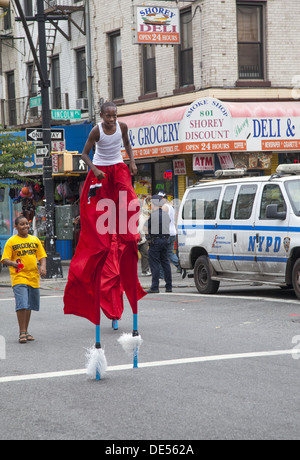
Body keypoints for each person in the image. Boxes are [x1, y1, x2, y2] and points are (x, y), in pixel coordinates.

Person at [64, 101, 146, 326]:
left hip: (118, 167)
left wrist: (132, 161)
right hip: (100, 171)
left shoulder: (123, 127)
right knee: (100, 208)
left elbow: (128, 145)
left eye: (114, 115)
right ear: (101, 116)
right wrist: (96, 169)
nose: (111, 119)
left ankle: (129, 230)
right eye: (108, 116)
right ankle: (99, 232)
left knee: (128, 196)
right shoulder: (96, 130)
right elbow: (84, 154)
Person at [1, 216, 47, 343]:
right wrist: (13, 263)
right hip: (19, 277)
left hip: (33, 277)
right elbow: (4, 259)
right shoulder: (11, 241)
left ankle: (26, 331)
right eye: (22, 224)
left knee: (29, 305)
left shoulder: (35, 239)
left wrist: (43, 267)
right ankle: (22, 332)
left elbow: (42, 256)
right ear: (16, 227)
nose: (25, 226)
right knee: (22, 303)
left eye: (27, 224)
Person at [144, 195, 172, 293]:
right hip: (165, 240)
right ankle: (169, 286)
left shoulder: (154, 215)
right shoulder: (166, 214)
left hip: (155, 242)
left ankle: (155, 287)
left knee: (155, 264)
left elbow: (144, 228)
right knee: (165, 263)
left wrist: (148, 236)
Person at [159, 193, 181, 276]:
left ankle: (161, 274)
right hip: (172, 232)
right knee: (170, 253)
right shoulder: (171, 206)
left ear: (163, 198)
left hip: (166, 233)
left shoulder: (164, 207)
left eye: (160, 198)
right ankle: (180, 266)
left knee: (162, 254)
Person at [138, 205, 151, 276]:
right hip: (135, 238)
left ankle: (145, 270)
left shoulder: (143, 216)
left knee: (145, 254)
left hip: (143, 238)